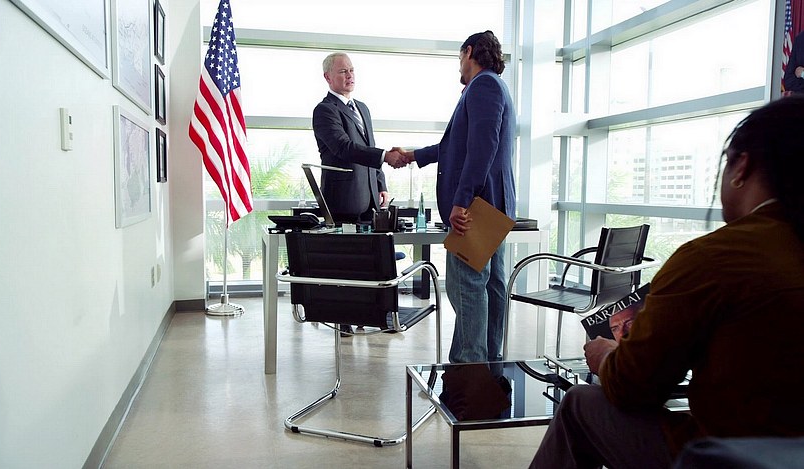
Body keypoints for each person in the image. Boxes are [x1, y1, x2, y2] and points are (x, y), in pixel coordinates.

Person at [529, 96, 804, 469]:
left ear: (742, 166)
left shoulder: (713, 257)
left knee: (580, 403)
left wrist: (605, 355)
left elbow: (631, 386)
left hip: (734, 458)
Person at [395, 31, 516, 363]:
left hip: (478, 207)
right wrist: (413, 156)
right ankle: (487, 364)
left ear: (469, 52)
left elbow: (482, 147)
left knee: (467, 287)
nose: (458, 66)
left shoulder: (483, 86)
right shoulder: (495, 86)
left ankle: (469, 367)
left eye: (459, 57)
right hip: (493, 204)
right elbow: (455, 146)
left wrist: (461, 200)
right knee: (489, 286)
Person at [312, 52, 404, 336]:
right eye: (343, 71)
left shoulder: (362, 108)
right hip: (342, 199)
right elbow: (343, 147)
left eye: (352, 70)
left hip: (369, 198)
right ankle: (345, 319)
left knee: (370, 262)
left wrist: (381, 183)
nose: (349, 75)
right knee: (345, 263)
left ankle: (369, 315)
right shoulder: (324, 110)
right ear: (328, 77)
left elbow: (369, 145)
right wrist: (385, 156)